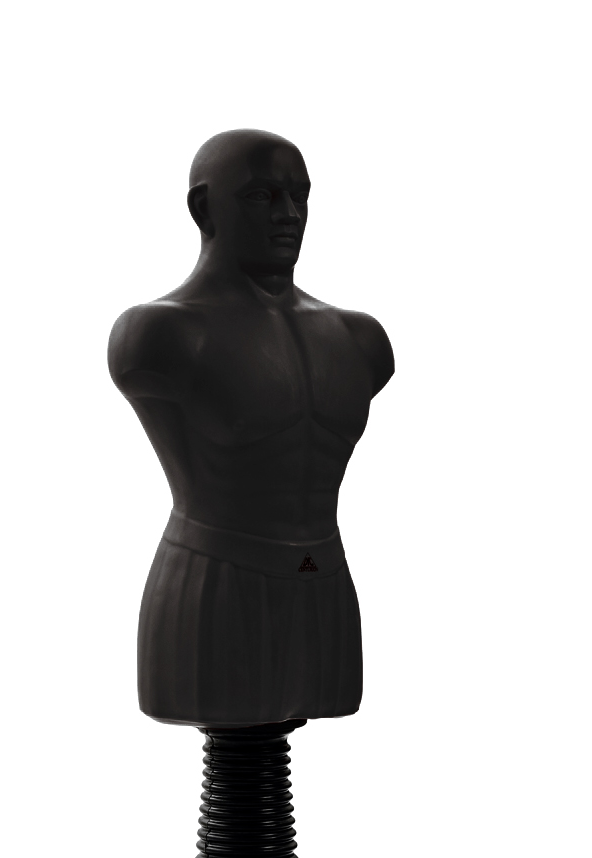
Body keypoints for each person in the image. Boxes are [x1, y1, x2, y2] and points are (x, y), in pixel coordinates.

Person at [108, 129, 394, 726]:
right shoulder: (161, 335)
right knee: (238, 773)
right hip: (211, 587)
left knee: (277, 765)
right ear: (204, 209)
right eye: (262, 195)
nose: (289, 214)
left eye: (300, 195)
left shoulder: (359, 338)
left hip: (324, 581)